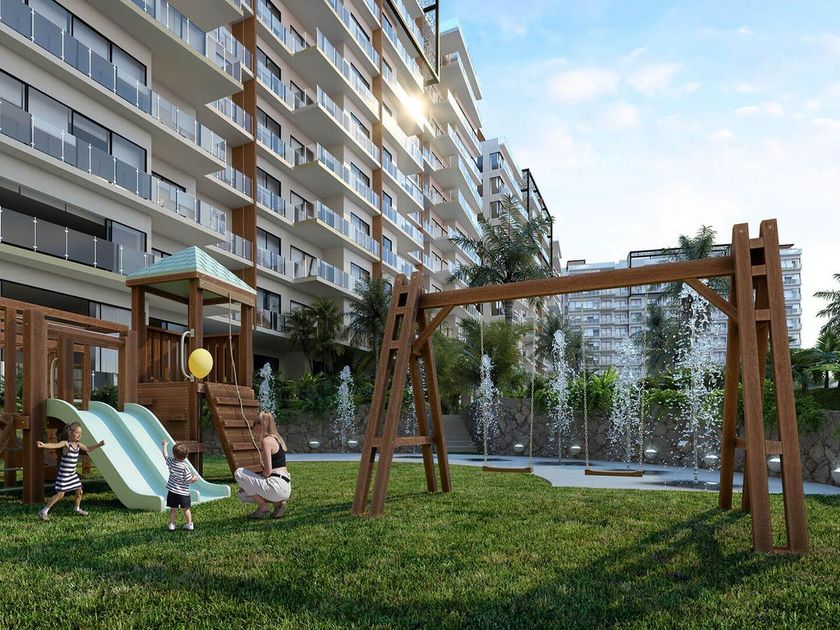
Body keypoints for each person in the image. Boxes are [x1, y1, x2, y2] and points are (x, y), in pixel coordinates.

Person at [37, 422, 105, 520]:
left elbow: (87, 448)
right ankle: (43, 511)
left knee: (79, 491)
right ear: (70, 432)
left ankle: (77, 508)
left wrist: (99, 445)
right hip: (64, 475)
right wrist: (44, 445)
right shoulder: (66, 444)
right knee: (60, 495)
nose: (79, 435)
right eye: (77, 432)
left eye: (80, 433)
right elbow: (55, 445)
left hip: (72, 474)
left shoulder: (78, 445)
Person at [234, 410, 291, 519]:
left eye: (255, 423)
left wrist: (248, 483)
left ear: (262, 425)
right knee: (243, 495)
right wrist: (249, 484)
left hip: (276, 486)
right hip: (285, 487)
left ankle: (263, 508)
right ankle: (278, 504)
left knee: (239, 473)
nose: (253, 427)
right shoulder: (277, 439)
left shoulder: (266, 441)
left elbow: (268, 472)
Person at [162, 440, 198, 531]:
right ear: (186, 456)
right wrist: (195, 478)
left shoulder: (171, 462)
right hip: (183, 493)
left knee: (173, 509)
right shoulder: (185, 467)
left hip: (172, 492)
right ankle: (189, 524)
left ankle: (172, 524)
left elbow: (165, 455)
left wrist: (165, 445)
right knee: (186, 509)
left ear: (174, 454)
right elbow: (189, 479)